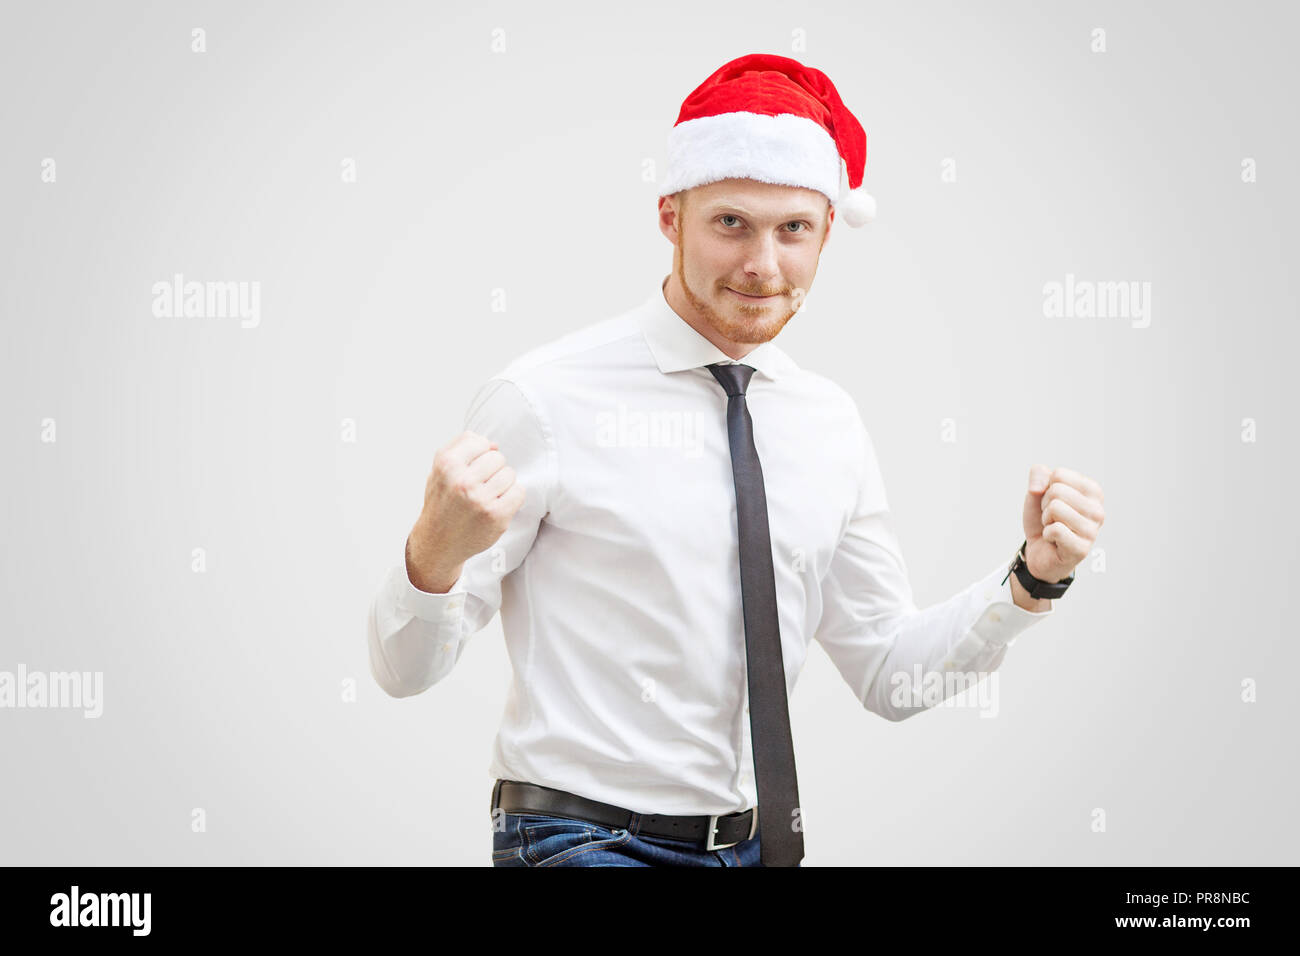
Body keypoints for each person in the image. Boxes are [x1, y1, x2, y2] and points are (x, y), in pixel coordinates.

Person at [366, 53, 1105, 867]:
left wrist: (1030, 580)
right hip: (579, 840)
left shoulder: (828, 424)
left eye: (794, 230)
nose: (763, 265)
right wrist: (432, 549)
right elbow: (401, 672)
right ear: (669, 216)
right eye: (730, 223)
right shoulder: (545, 399)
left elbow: (891, 675)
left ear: (827, 233)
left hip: (757, 847)